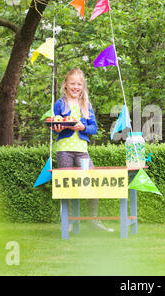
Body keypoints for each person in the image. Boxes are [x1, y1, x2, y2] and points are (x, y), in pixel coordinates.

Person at [53, 68, 113, 232]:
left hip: (82, 150)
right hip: (64, 150)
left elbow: (93, 128)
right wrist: (57, 128)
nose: (75, 87)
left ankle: (93, 220)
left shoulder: (86, 104)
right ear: (66, 85)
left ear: (83, 86)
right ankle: (68, 222)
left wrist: (83, 127)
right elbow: (54, 125)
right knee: (66, 186)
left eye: (79, 84)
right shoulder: (60, 103)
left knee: (93, 181)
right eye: (72, 83)